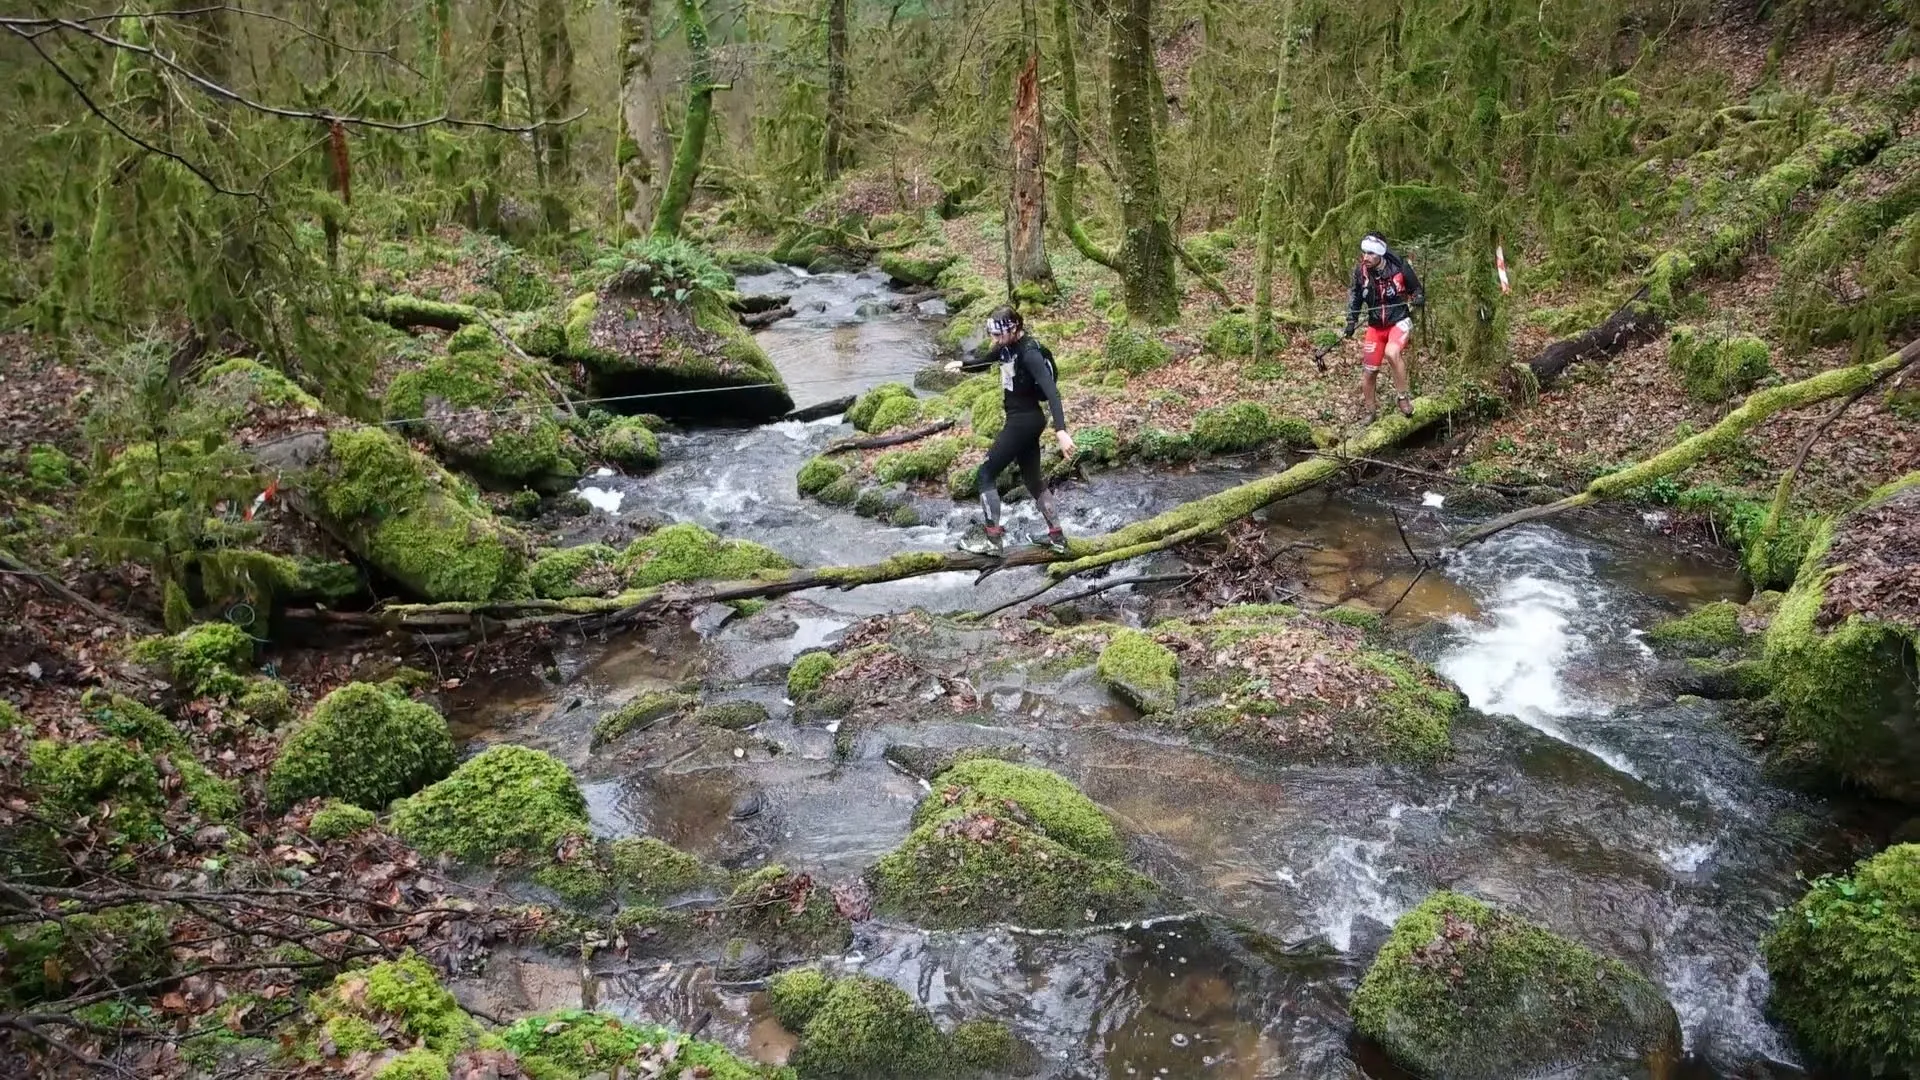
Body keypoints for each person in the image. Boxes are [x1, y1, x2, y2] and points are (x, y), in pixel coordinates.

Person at [944, 307, 1076, 556]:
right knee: (1033, 481)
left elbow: (1053, 393)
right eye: (992, 334)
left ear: (1014, 329)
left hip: (1024, 422)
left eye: (998, 334)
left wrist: (1061, 430)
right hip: (1025, 421)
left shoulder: (1030, 354)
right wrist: (961, 365)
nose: (994, 339)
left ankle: (992, 541)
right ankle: (1057, 537)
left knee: (985, 474)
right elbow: (985, 361)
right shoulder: (1006, 347)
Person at [1344, 232, 1425, 418]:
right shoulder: (1361, 273)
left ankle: (1403, 397)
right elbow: (1355, 298)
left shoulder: (1399, 267)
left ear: (1380, 253)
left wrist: (1418, 297)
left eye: (1371, 254)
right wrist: (1351, 320)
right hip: (1375, 326)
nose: (1366, 258)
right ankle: (1371, 413)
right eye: (1365, 253)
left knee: (1392, 352)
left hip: (1399, 320)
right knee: (1369, 372)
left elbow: (1416, 289)